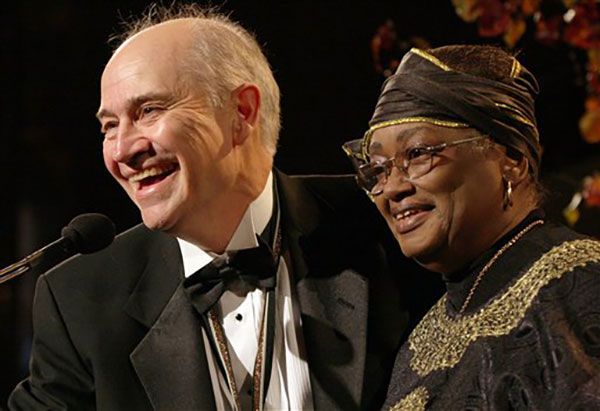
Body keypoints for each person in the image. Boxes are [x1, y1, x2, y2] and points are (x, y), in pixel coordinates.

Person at [8, 5, 434, 411]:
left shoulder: (384, 222)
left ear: (242, 112)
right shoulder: (80, 299)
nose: (122, 151)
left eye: (149, 110)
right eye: (110, 126)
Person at [343, 45, 600, 410]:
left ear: (512, 160)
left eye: (418, 153)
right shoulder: (419, 343)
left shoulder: (580, 289)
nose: (392, 188)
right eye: (378, 169)